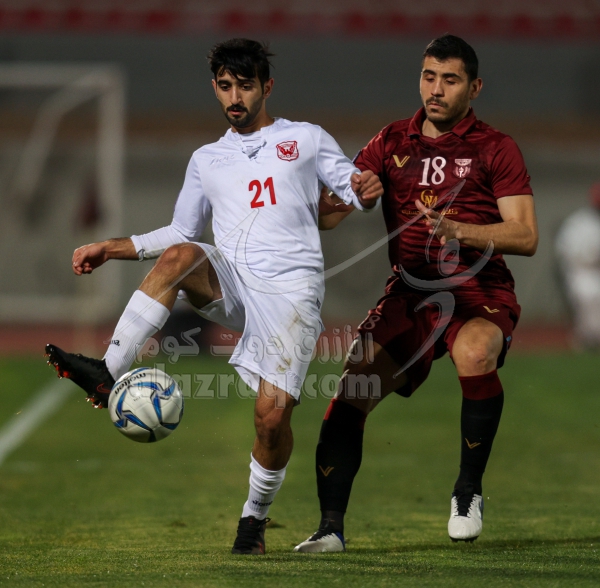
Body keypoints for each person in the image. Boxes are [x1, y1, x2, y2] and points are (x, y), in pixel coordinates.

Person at [45, 38, 383, 555]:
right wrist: (111, 247)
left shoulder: (305, 138)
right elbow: (181, 230)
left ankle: (253, 519)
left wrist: (365, 191)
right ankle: (107, 370)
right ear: (215, 88)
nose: (235, 97)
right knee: (181, 255)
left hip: (292, 293)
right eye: (225, 86)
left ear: (267, 87)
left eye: (245, 86)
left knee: (271, 419)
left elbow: (350, 188)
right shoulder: (207, 159)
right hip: (233, 283)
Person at [294, 34, 538, 552]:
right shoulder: (391, 142)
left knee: (476, 352)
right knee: (353, 386)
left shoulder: (496, 147)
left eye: (450, 80)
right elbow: (330, 215)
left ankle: (467, 492)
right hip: (409, 291)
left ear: (474, 88)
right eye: (429, 77)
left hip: (478, 289)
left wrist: (460, 230)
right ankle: (330, 529)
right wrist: (340, 196)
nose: (436, 89)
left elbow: (526, 235)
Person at [555, 183, 600, 349]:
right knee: (589, 301)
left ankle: (585, 340)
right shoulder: (579, 221)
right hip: (583, 273)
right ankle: (584, 340)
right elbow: (567, 251)